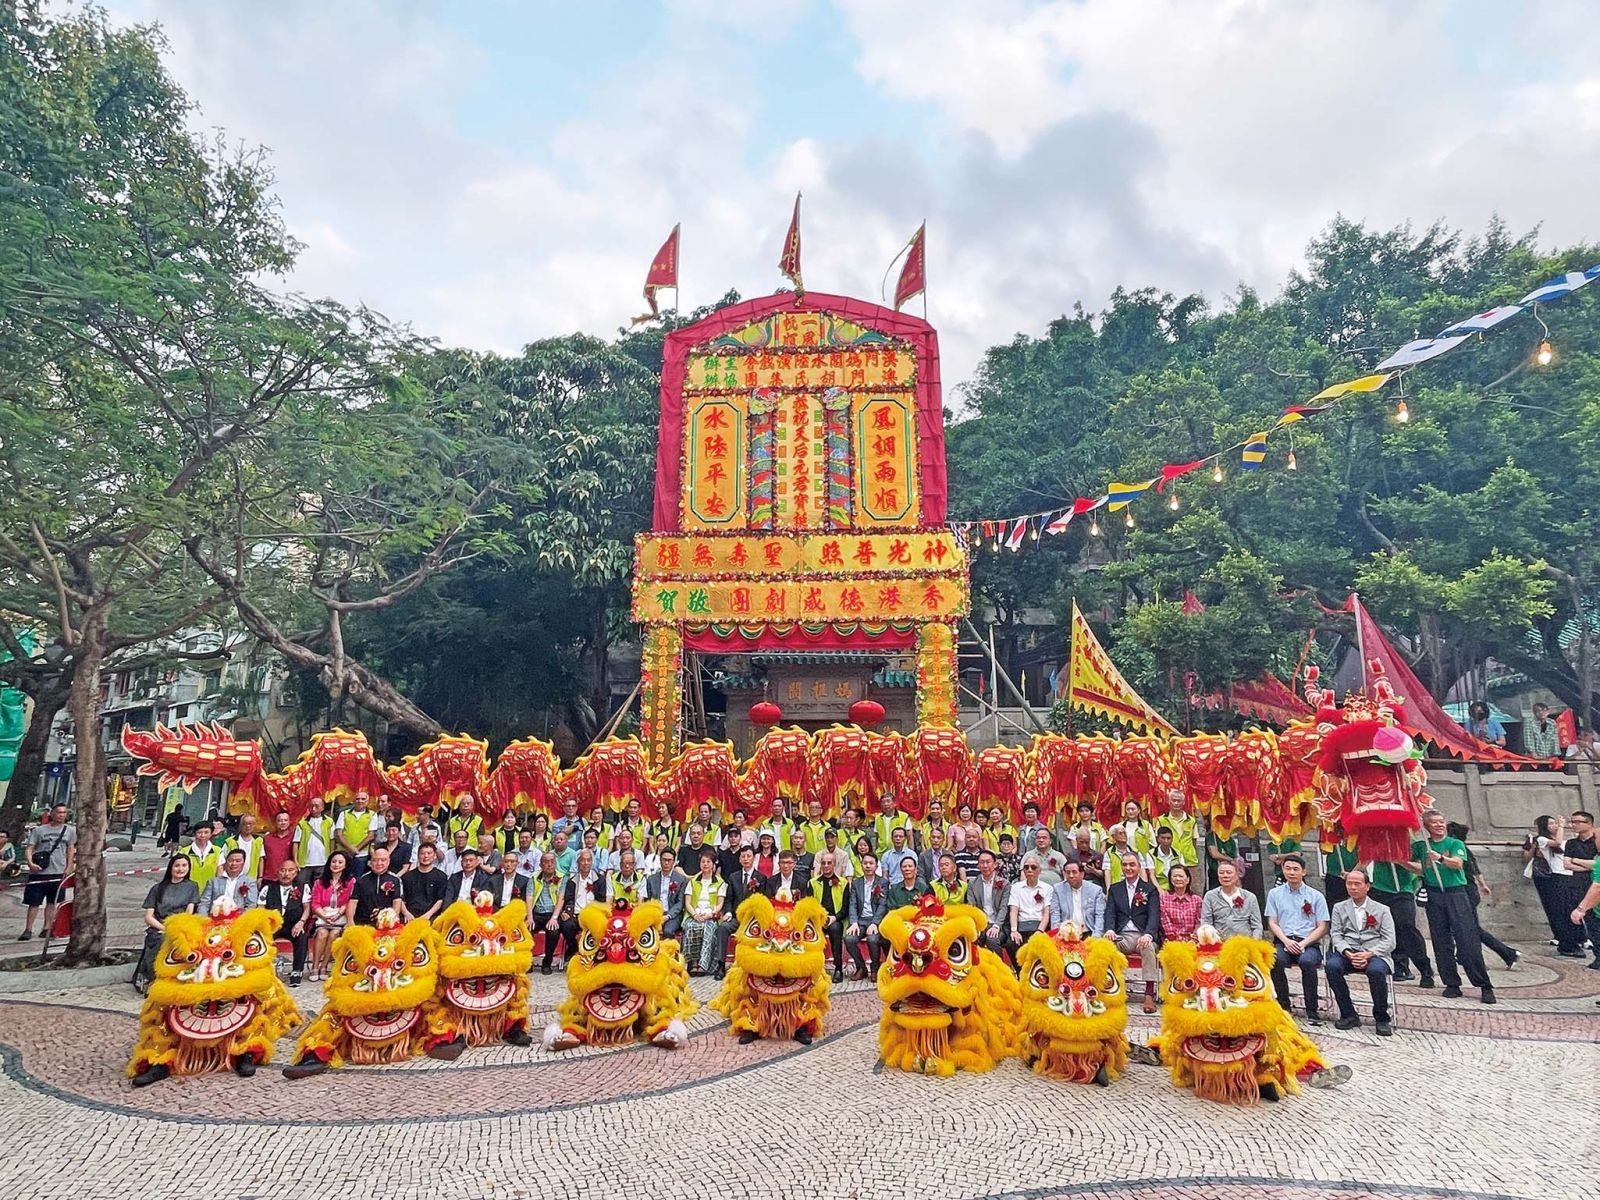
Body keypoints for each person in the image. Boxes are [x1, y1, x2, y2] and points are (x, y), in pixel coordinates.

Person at [1418, 809, 1496, 1004]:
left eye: (1441, 821)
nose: (1439, 824)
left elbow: (1458, 864)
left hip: (1456, 894)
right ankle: (1451, 983)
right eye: (1434, 822)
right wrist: (1401, 862)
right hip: (1435, 895)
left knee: (1467, 940)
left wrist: (1441, 858)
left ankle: (1483, 984)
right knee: (1440, 941)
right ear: (1426, 826)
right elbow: (1421, 867)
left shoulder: (1455, 843)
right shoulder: (1422, 846)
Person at [1325, 868, 1396, 1036]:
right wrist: (1347, 952)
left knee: (1376, 971)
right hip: (1349, 951)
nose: (1353, 887)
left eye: (1357, 884)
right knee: (1332, 966)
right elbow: (1335, 934)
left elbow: (1389, 940)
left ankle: (1381, 1017)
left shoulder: (1382, 909)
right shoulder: (1339, 907)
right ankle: (1348, 1013)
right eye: (1349, 883)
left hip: (1375, 952)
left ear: (1367, 886)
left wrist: (1369, 954)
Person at [1264, 855, 1329, 1022]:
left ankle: (1312, 1009)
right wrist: (1286, 941)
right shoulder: (1274, 894)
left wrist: (1303, 943)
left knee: (1307, 962)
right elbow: (1272, 922)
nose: (1291, 872)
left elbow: (1322, 926)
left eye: (1295, 869)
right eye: (1288, 869)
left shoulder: (1316, 896)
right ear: (1283, 870)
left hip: (1308, 943)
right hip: (1283, 941)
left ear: (1303, 872)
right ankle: (1283, 1006)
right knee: (1275, 960)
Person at [1448, 820, 1519, 969]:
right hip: (1470, 889)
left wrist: (1482, 885)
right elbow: (1475, 869)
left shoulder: (1456, 848)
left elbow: (1471, 869)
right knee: (1465, 926)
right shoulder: (1463, 848)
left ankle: (1507, 953)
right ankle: (1463, 955)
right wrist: (1483, 885)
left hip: (1464, 891)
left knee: (1471, 927)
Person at [1366, 848, 1434, 987]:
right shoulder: (1376, 840)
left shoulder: (1414, 843)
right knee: (1383, 929)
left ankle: (1424, 969)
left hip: (1402, 890)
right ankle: (1398, 965)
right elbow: (1364, 858)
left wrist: (1400, 861)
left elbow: (1423, 869)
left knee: (1407, 927)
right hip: (1379, 889)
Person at [132, 855, 200, 993]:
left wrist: (175, 928)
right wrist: (164, 928)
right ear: (171, 868)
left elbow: (189, 912)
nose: (180, 869)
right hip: (159, 926)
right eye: (177, 865)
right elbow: (149, 917)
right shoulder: (158, 888)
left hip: (180, 926)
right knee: (159, 940)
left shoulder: (192, 886)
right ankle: (152, 977)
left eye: (184, 866)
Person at [1104, 852, 1162, 1013]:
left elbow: (1154, 915)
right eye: (1125, 865)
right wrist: (1109, 929)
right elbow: (1110, 913)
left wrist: (1149, 934)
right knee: (1106, 946)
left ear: (1138, 867)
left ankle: (1149, 993)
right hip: (1123, 935)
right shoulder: (1115, 889)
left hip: (1143, 934)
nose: (1128, 868)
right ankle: (1112, 988)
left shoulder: (1149, 889)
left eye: (1132, 864)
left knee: (1148, 947)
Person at [19, 802, 77, 941]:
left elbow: (70, 849)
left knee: (53, 902)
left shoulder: (70, 831)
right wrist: (30, 863)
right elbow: (30, 848)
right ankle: (28, 929)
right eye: (59, 812)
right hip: (39, 872)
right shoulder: (39, 831)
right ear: (52, 814)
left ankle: (47, 928)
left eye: (64, 813)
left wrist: (69, 867)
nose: (61, 815)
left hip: (58, 872)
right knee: (34, 903)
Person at [1525, 815, 1582, 955]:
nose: (1555, 825)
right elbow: (1556, 843)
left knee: (1570, 909)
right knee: (1560, 911)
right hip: (1554, 876)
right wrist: (1562, 826)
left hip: (1568, 874)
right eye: (1551, 823)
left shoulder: (1565, 840)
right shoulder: (1541, 839)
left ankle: (1577, 940)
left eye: (1555, 823)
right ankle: (1567, 943)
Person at [307, 852, 355, 982]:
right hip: (322, 916)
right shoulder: (319, 882)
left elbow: (349, 901)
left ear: (345, 865)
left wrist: (339, 913)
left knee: (334, 933)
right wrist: (324, 916)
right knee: (322, 933)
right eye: (334, 861)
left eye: (340, 862)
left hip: (340, 916)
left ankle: (324, 966)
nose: (336, 865)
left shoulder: (350, 882)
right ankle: (315, 966)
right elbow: (315, 903)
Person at [261, 858, 310, 985]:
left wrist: (301, 922)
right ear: (277, 872)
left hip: (293, 924)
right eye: (283, 870)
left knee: (301, 936)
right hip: (273, 925)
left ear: (296, 873)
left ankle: (297, 971)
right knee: (262, 937)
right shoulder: (268, 888)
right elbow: (260, 908)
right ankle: (264, 970)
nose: (286, 874)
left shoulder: (302, 887)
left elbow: (307, 908)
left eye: (290, 870)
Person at [1560, 811, 1599, 967]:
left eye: (1577, 822)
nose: (1573, 825)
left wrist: (1579, 862)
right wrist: (1591, 865)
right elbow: (1567, 864)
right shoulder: (1571, 843)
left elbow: (1596, 865)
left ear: (1589, 824)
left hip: (1594, 884)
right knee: (1591, 923)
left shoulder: (1596, 841)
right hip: (1579, 884)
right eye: (1572, 822)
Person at [558, 849, 608, 966]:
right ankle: (574, 950)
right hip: (576, 914)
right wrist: (566, 912)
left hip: (593, 914)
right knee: (566, 924)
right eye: (582, 861)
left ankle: (595, 954)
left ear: (592, 862)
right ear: (578, 863)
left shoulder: (600, 880)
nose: (585, 863)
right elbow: (569, 899)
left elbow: (601, 899)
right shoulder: (572, 881)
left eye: (588, 860)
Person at [844, 852, 889, 978]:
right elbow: (852, 904)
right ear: (861, 865)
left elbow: (882, 905)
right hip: (860, 920)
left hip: (875, 920)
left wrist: (875, 923)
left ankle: (875, 968)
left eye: (871, 863)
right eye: (865, 863)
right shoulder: (856, 883)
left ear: (876, 866)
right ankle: (861, 968)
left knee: (873, 939)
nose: (868, 866)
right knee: (849, 939)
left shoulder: (883, 882)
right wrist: (853, 922)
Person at [682, 853, 727, 976]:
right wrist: (695, 915)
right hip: (694, 914)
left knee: (707, 928)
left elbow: (720, 904)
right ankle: (693, 962)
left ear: (713, 865)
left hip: (711, 915)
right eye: (703, 862)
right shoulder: (693, 882)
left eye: (708, 862)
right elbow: (688, 902)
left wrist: (710, 915)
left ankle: (703, 965)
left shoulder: (720, 882)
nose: (705, 864)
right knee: (691, 927)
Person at [810, 852, 849, 982]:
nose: (826, 866)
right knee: (812, 933)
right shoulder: (813, 883)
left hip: (835, 919)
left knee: (835, 930)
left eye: (829, 863)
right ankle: (816, 969)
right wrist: (819, 917)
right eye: (823, 863)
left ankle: (838, 968)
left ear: (834, 864)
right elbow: (810, 905)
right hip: (817, 919)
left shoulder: (843, 883)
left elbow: (845, 907)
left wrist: (835, 917)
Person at [1201, 861, 1262, 939]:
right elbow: (1206, 923)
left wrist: (1254, 944)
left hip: (1245, 944)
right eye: (1221, 873)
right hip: (1219, 944)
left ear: (1237, 875)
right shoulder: (1210, 896)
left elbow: (1257, 926)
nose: (1225, 876)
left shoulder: (1250, 897)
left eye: (1229, 872)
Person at [526, 851, 565, 973]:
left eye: (552, 862)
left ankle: (547, 962)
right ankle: (528, 962)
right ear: (541, 864)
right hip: (536, 913)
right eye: (546, 862)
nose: (549, 865)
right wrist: (530, 917)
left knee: (553, 931)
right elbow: (529, 897)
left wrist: (554, 917)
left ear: (555, 863)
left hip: (552, 913)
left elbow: (561, 898)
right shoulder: (534, 877)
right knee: (526, 929)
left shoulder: (562, 877)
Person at [966, 850, 1009, 955]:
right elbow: (972, 907)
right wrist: (977, 926)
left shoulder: (1004, 884)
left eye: (988, 862)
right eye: (982, 862)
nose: (985, 865)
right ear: (978, 865)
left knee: (992, 940)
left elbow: (1004, 908)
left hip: (998, 924)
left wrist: (996, 926)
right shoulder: (972, 883)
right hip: (981, 923)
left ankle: (999, 969)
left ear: (994, 865)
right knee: (970, 939)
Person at [347, 846, 403, 926]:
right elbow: (353, 901)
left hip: (385, 924)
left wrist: (391, 920)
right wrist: (350, 920)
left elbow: (397, 902)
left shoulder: (395, 880)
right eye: (375, 860)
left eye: (383, 860)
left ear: (388, 861)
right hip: (363, 923)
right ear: (370, 862)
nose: (379, 863)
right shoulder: (361, 880)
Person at [1008, 859, 1052, 959]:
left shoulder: (1047, 888)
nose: (1029, 870)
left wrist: (1040, 931)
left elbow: (1046, 913)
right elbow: (1013, 910)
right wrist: (1014, 930)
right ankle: (1020, 973)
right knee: (1011, 944)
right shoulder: (1016, 887)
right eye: (1026, 867)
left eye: (1033, 867)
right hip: (1021, 925)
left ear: (1039, 871)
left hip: (1039, 925)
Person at [1049, 859, 1105, 935]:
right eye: (1068, 873)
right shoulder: (1058, 889)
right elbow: (1055, 914)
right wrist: (1057, 934)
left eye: (1074, 872)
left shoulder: (1095, 890)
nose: (1071, 876)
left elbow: (1100, 915)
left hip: (1089, 932)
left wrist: (1096, 937)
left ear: (1082, 874)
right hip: (1066, 934)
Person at [334, 791, 380, 876]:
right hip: (344, 853)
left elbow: (371, 836)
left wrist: (355, 850)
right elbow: (339, 834)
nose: (360, 801)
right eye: (358, 799)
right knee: (342, 879)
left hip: (361, 855)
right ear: (353, 800)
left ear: (367, 801)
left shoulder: (372, 814)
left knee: (358, 880)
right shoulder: (344, 813)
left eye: (363, 799)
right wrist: (350, 849)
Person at [402, 843, 450, 922]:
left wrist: (428, 915)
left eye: (429, 853)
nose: (426, 856)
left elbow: (440, 900)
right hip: (410, 915)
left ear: (435, 856)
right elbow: (402, 899)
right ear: (418, 856)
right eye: (422, 853)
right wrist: (406, 913)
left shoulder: (441, 876)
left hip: (432, 916)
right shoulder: (407, 877)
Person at [1153, 789, 1201, 867]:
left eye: (1179, 801)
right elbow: (1157, 841)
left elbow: (1194, 841)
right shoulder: (1161, 820)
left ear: (1183, 802)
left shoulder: (1191, 820)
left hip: (1189, 861)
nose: (1176, 803)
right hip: (1169, 860)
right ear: (1169, 801)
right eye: (1174, 800)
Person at [644, 848, 685, 938]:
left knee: (668, 931)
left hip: (672, 914)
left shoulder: (680, 879)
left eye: (669, 860)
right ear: (660, 860)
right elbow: (648, 899)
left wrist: (667, 916)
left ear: (674, 862)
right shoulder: (651, 879)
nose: (666, 863)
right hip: (655, 912)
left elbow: (680, 903)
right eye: (664, 860)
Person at [1159, 864, 1204, 944]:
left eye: (1181, 876)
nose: (1178, 879)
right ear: (1170, 879)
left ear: (1188, 879)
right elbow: (1165, 923)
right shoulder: (1164, 898)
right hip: (1171, 942)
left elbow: (1199, 922)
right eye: (1174, 876)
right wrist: (1176, 938)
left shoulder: (1197, 900)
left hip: (1193, 942)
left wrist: (1193, 939)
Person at [293, 799, 333, 885]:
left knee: (320, 886)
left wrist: (331, 857)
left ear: (322, 807)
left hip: (323, 861)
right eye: (311, 806)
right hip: (304, 863)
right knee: (302, 886)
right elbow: (296, 842)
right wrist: (296, 861)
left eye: (317, 806)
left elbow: (332, 840)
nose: (314, 808)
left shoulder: (329, 822)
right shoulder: (302, 823)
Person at [260, 811, 296, 881]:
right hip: (269, 877)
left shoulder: (294, 838)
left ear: (289, 822)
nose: (283, 823)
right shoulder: (267, 838)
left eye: (285, 820)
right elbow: (262, 859)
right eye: (280, 820)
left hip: (288, 877)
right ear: (275, 822)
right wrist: (260, 877)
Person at [1148, 826, 1182, 893]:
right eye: (1163, 838)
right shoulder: (1151, 854)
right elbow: (1152, 875)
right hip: (1157, 889)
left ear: (1172, 839)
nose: (1166, 841)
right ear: (1158, 839)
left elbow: (1182, 873)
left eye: (1168, 838)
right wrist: (1160, 890)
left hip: (1176, 888)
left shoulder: (1178, 854)